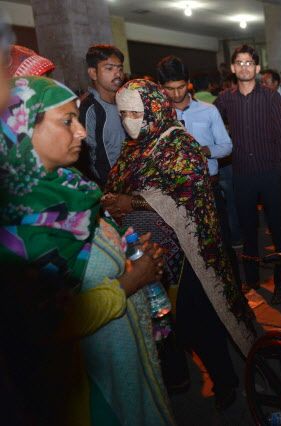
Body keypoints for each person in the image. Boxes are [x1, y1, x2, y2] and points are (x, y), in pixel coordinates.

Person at [0, 76, 174, 426]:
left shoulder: (69, 187)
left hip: (121, 355)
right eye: (67, 121)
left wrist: (129, 249)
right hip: (86, 382)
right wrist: (130, 282)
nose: (81, 132)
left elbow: (95, 244)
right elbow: (48, 323)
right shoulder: (19, 223)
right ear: (22, 129)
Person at [103, 79, 255, 410]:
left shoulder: (180, 145)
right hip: (143, 256)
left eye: (136, 112)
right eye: (124, 112)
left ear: (154, 109)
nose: (129, 119)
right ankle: (178, 379)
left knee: (198, 321)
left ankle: (225, 381)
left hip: (185, 255)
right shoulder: (133, 148)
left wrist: (134, 203)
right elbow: (116, 182)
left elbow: (190, 195)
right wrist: (112, 199)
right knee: (164, 325)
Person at [156, 55, 242, 296]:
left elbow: (227, 146)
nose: (175, 94)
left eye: (181, 87)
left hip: (209, 187)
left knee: (221, 243)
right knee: (188, 248)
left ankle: (233, 293)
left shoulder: (208, 110)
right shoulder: (160, 116)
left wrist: (205, 150)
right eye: (170, 89)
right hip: (177, 193)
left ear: (189, 83)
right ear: (162, 88)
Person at [214, 45, 281, 303]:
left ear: (257, 68)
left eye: (249, 63)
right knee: (248, 230)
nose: (245, 67)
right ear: (233, 68)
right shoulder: (225, 99)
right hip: (242, 175)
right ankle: (253, 280)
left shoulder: (270, 97)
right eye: (240, 63)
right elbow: (211, 124)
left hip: (269, 174)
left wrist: (278, 173)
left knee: (278, 230)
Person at [78, 44, 126, 188]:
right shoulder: (89, 109)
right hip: (106, 191)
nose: (117, 74)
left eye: (120, 68)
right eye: (109, 68)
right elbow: (86, 159)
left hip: (131, 185)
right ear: (93, 73)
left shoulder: (127, 103)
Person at [261, 68, 281, 139]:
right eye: (262, 82)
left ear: (275, 83)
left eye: (266, 82)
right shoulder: (261, 95)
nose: (263, 85)